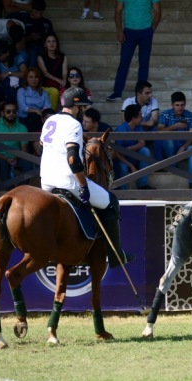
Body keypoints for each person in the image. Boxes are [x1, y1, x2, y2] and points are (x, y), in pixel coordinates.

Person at [40, 87, 134, 268]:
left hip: (46, 182)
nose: (83, 111)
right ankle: (115, 255)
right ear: (77, 107)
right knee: (111, 202)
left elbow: (42, 145)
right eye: (82, 107)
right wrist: (82, 185)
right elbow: (73, 158)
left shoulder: (50, 120)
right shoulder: (74, 124)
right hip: (67, 181)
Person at [106, 0, 162, 101]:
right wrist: (119, 30)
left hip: (146, 32)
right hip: (128, 31)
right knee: (124, 62)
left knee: (144, 63)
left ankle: (141, 94)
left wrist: (152, 29)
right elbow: (118, 11)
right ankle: (117, 92)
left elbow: (158, 11)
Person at [157, 91, 192, 188]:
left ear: (185, 104)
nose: (180, 108)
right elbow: (159, 131)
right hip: (169, 147)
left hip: (184, 146)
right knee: (168, 141)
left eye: (182, 105)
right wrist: (174, 126)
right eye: (177, 105)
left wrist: (183, 147)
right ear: (172, 105)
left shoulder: (190, 115)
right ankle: (173, 166)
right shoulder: (165, 114)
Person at [0, 100, 32, 189]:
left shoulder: (22, 128)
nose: (11, 114)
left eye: (14, 111)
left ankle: (20, 191)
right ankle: (10, 192)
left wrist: (16, 158)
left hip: (17, 157)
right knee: (2, 166)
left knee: (29, 165)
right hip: (0, 157)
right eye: (8, 111)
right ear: (2, 113)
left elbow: (24, 150)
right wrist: (6, 158)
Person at [113, 103, 154, 190]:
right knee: (123, 167)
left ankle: (143, 184)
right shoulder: (121, 130)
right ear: (133, 119)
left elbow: (142, 143)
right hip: (121, 158)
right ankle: (123, 192)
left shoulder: (138, 127)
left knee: (145, 151)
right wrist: (131, 165)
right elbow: (116, 153)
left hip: (132, 155)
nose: (142, 117)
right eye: (140, 116)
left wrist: (129, 149)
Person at [15, 0, 54, 68]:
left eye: (40, 13)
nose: (38, 15)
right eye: (36, 12)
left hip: (43, 47)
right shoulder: (24, 22)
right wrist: (29, 37)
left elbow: (52, 37)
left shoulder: (47, 22)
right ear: (31, 9)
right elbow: (19, 39)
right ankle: (31, 74)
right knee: (33, 53)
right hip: (29, 48)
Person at [36, 32, 67, 110]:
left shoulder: (62, 57)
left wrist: (64, 81)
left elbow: (64, 73)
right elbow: (45, 73)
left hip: (60, 85)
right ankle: (51, 113)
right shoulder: (41, 57)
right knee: (54, 91)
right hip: (45, 85)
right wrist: (59, 80)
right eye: (49, 41)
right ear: (45, 44)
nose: (51, 43)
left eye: (54, 41)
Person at [17, 66, 51, 132]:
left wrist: (41, 111)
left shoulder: (44, 92)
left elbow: (47, 106)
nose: (34, 79)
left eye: (36, 77)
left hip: (39, 117)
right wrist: (35, 110)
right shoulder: (21, 91)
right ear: (26, 79)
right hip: (24, 119)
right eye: (31, 77)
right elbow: (22, 107)